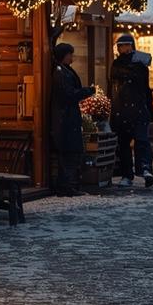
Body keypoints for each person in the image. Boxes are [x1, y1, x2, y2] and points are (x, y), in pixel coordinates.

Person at [109, 33, 153, 188]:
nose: (121, 48)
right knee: (125, 145)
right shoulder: (118, 64)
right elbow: (114, 84)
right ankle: (129, 173)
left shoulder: (139, 65)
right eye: (119, 46)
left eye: (124, 45)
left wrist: (150, 108)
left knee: (141, 141)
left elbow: (145, 88)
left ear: (130, 46)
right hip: (122, 110)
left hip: (135, 110)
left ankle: (145, 169)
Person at [49, 41, 95, 196]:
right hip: (65, 118)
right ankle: (66, 186)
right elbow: (68, 95)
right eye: (70, 54)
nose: (72, 57)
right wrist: (86, 92)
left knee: (70, 153)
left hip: (67, 117)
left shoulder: (63, 71)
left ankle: (67, 185)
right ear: (64, 55)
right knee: (68, 153)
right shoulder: (60, 72)